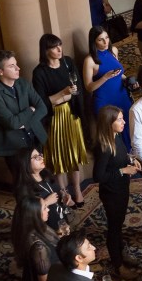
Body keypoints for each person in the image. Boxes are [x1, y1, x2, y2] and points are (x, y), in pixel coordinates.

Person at [34, 33, 87, 204]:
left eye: (60, 45)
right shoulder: (39, 72)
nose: (59, 49)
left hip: (71, 113)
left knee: (74, 154)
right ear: (45, 50)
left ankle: (77, 188)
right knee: (59, 157)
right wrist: (63, 93)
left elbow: (78, 89)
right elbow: (41, 101)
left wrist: (68, 95)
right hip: (54, 117)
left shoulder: (68, 62)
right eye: (54, 47)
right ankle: (64, 192)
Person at [92, 105, 138, 278]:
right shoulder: (104, 146)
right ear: (108, 123)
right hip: (111, 193)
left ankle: (120, 251)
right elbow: (98, 176)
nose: (123, 122)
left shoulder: (116, 136)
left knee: (119, 225)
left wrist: (131, 161)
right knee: (114, 228)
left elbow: (119, 158)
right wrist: (123, 171)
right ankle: (118, 265)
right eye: (119, 119)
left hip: (121, 188)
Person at [0, 49, 48, 177]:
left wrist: (25, 122)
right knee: (22, 181)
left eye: (16, 64)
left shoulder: (23, 83)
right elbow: (12, 123)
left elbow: (42, 108)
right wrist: (30, 110)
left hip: (35, 138)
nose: (18, 68)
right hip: (14, 146)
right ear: (0, 71)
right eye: (11, 66)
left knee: (40, 175)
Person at [81, 26, 132, 147]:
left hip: (121, 96)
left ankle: (131, 155)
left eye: (107, 38)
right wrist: (105, 77)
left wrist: (129, 80)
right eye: (100, 40)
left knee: (128, 126)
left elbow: (118, 74)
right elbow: (88, 87)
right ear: (94, 42)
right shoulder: (90, 60)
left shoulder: (113, 50)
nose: (105, 42)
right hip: (104, 101)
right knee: (110, 134)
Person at [15, 146, 74, 235]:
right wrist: (46, 202)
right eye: (36, 157)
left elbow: (56, 190)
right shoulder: (24, 188)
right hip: (45, 227)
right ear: (25, 163)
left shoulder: (45, 175)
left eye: (40, 155)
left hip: (59, 216)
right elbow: (28, 213)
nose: (41, 158)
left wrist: (63, 195)